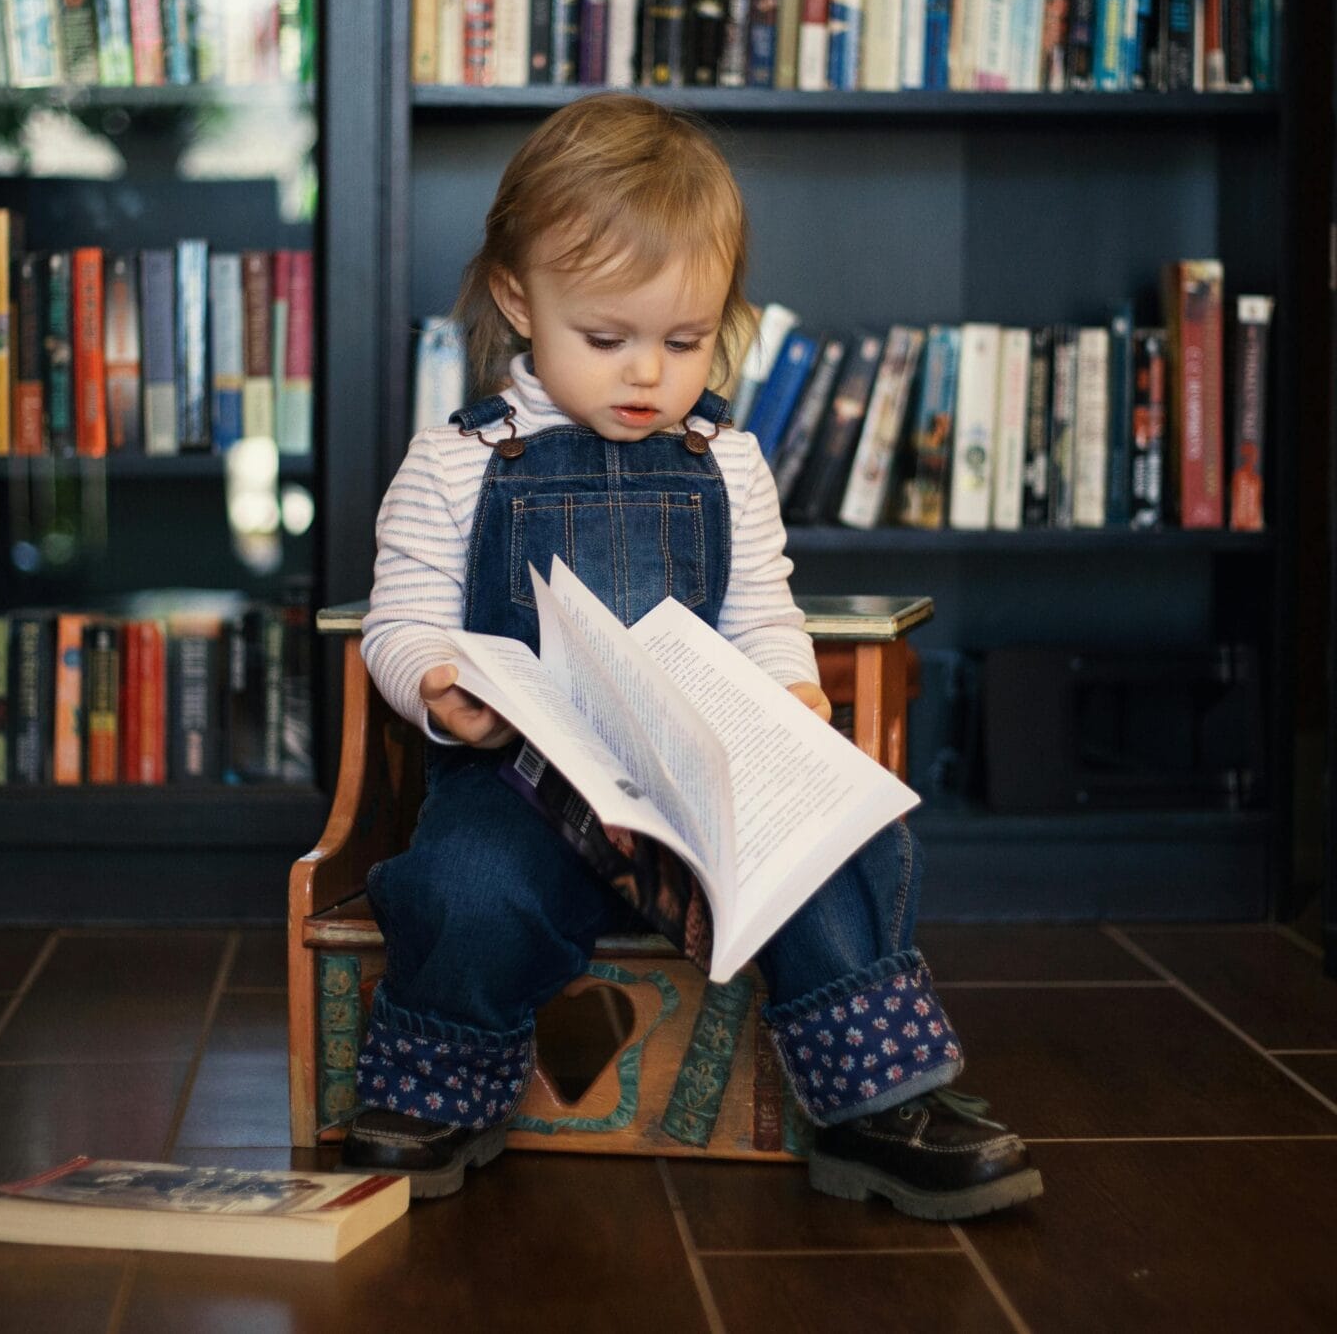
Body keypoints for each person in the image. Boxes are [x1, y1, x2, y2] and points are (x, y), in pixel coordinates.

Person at [339, 94, 1042, 1220]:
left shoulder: (728, 460)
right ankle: (440, 1088)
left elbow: (762, 616)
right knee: (464, 891)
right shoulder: (459, 460)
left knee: (843, 857)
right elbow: (400, 617)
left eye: (684, 341)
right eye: (605, 340)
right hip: (524, 783)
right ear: (519, 300)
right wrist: (437, 684)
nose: (646, 378)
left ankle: (872, 1107)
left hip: (701, 779)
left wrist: (792, 695)